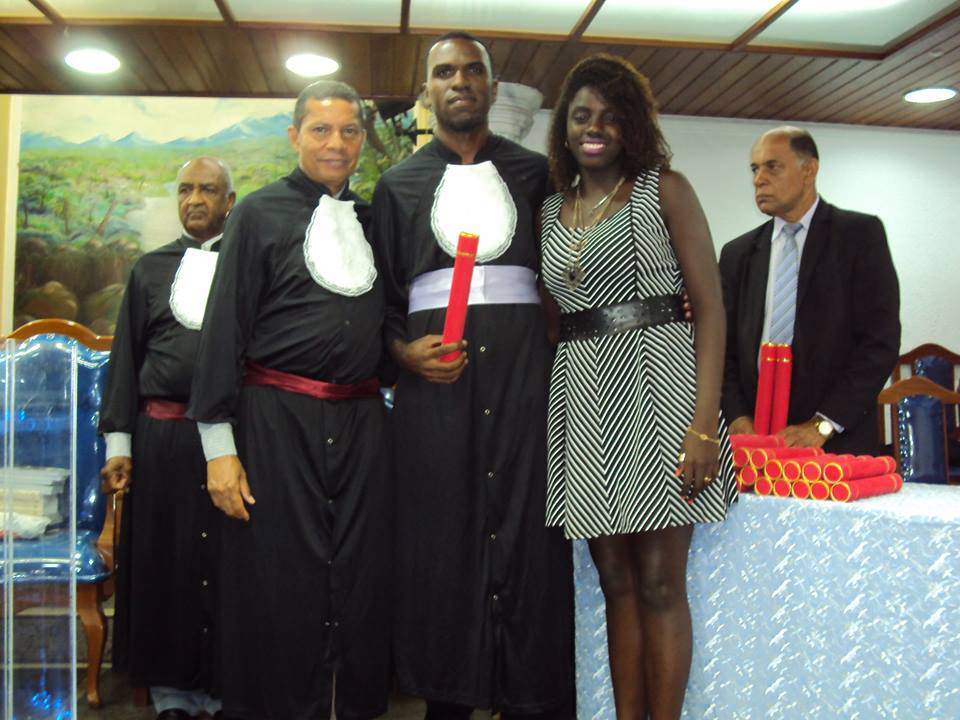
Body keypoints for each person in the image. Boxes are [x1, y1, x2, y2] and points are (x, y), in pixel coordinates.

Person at [371, 32, 573, 719]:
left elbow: (569, 276)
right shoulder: (395, 186)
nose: (459, 81)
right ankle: (448, 699)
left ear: (490, 85)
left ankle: (531, 697)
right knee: (441, 542)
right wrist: (404, 354)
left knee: (530, 536)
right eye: (444, 72)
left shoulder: (537, 174)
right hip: (435, 393)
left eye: (471, 70)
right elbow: (380, 301)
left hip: (526, 383)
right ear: (427, 91)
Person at [539, 54, 737, 720]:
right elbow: (553, 320)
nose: (594, 128)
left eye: (610, 116)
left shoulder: (664, 190)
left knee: (658, 583)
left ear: (632, 125)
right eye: (581, 115)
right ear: (564, 127)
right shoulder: (549, 210)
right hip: (583, 399)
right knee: (615, 583)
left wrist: (704, 425)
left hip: (662, 394)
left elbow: (711, 308)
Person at [187, 80, 392, 720]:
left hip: (361, 425)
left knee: (357, 574)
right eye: (321, 129)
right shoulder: (256, 214)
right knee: (280, 579)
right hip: (276, 423)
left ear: (362, 140)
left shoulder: (372, 219)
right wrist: (218, 450)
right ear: (294, 136)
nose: (336, 143)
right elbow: (224, 330)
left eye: (350, 131)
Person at [99, 156, 235, 720]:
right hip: (162, 441)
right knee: (166, 564)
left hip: (233, 445)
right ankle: (170, 695)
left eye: (208, 190)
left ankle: (224, 687)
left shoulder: (249, 267)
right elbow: (125, 362)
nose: (194, 199)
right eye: (185, 189)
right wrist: (120, 447)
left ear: (229, 201)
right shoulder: (148, 270)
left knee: (226, 565)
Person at [720, 126, 901, 454]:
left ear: (809, 170)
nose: (759, 179)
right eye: (754, 169)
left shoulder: (859, 236)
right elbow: (723, 348)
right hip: (755, 444)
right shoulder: (737, 254)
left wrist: (824, 423)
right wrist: (737, 416)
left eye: (772, 166)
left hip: (836, 444)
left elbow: (879, 342)